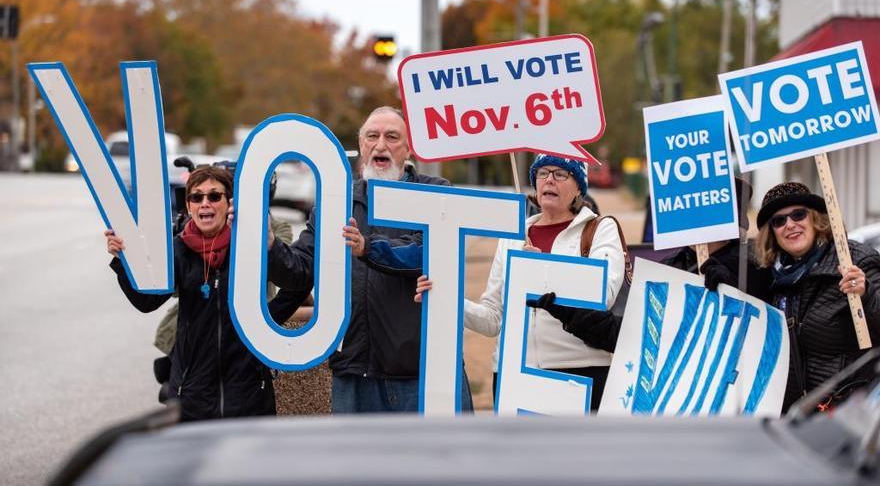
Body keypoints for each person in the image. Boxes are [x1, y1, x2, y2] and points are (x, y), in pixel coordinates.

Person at [267, 106, 473, 413]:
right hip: (354, 373)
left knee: (436, 461)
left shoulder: (436, 193)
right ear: (361, 145)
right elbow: (300, 270)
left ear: (408, 148)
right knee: (354, 463)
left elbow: (426, 253)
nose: (380, 145)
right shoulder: (337, 201)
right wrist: (270, 245)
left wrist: (368, 249)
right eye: (372, 136)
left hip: (421, 373)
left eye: (392, 137)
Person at [416, 154, 627, 411]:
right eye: (542, 173)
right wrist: (446, 298)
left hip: (580, 374)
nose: (549, 180)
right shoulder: (513, 237)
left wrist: (541, 270)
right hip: (513, 375)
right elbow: (493, 319)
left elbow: (602, 294)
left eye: (560, 174)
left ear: (578, 188)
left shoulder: (599, 229)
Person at [527, 177, 773, 364]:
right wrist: (570, 311)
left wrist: (730, 292)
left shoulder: (755, 269)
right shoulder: (668, 268)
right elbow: (629, 334)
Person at [106, 166, 279, 422]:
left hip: (248, 395)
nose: (204, 203)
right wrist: (123, 262)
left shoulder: (252, 244)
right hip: (193, 394)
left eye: (214, 196)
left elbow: (295, 279)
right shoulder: (177, 250)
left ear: (229, 202)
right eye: (196, 197)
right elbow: (146, 301)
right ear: (188, 207)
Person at [754, 182, 880, 411]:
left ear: (815, 219)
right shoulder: (770, 278)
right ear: (771, 232)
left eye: (798, 214)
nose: (790, 225)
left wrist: (866, 293)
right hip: (796, 417)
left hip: (851, 413)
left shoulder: (854, 260)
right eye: (779, 221)